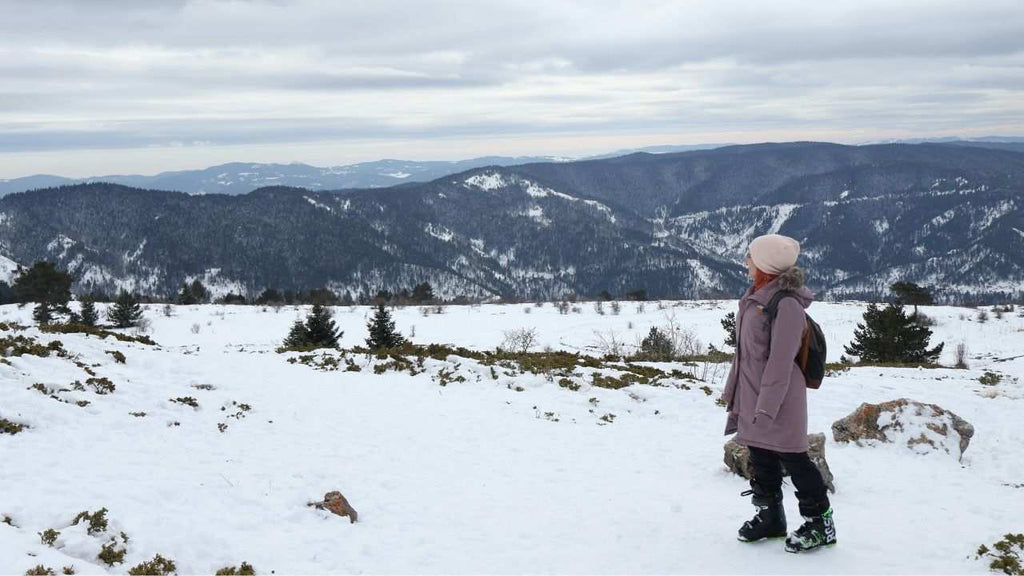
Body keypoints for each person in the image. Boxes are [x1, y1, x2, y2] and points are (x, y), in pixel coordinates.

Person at [721, 234, 837, 553]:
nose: (746, 261)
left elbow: (781, 361)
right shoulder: (754, 297)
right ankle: (771, 516)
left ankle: (820, 523)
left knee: (795, 458)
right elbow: (744, 354)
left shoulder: (786, 305)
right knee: (760, 453)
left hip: (780, 397)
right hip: (752, 394)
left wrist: (767, 406)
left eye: (751, 257)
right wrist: (735, 394)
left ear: (766, 265)